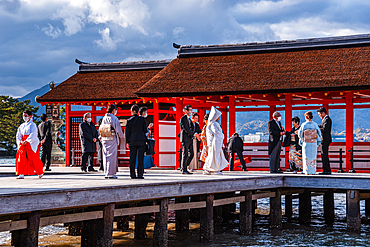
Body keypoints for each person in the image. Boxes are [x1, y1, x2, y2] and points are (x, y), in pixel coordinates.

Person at [15, 110, 44, 179]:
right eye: (23, 116)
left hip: (30, 143)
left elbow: (33, 134)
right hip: (23, 142)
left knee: (33, 158)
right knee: (20, 157)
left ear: (30, 116)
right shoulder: (22, 125)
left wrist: (27, 140)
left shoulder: (33, 125)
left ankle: (39, 172)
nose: (24, 117)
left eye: (26, 116)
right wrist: (20, 141)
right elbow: (18, 134)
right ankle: (21, 173)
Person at [100, 104, 124, 179]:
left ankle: (106, 173)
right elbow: (118, 130)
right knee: (112, 156)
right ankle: (111, 173)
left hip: (104, 137)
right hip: (112, 138)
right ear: (113, 110)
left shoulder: (104, 118)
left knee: (105, 156)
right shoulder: (114, 118)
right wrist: (121, 136)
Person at [203, 106, 228, 175]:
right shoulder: (214, 124)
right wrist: (222, 136)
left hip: (212, 142)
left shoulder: (210, 124)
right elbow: (217, 133)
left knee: (211, 156)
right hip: (215, 142)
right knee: (215, 155)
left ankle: (207, 168)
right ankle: (215, 169)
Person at [126, 104, 148, 179]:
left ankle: (132, 174)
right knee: (140, 158)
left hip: (132, 140)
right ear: (138, 111)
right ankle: (140, 174)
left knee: (132, 158)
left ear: (131, 111)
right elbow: (145, 130)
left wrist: (127, 142)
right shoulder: (142, 120)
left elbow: (127, 133)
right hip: (141, 140)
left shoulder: (129, 121)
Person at [179, 105, 195, 175]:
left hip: (190, 138)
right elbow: (185, 128)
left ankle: (184, 166)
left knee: (192, 154)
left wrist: (194, 133)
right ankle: (184, 169)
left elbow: (191, 128)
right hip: (185, 138)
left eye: (191, 110)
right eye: (190, 110)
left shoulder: (189, 119)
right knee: (185, 154)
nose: (191, 111)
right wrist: (193, 134)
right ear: (186, 111)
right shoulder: (183, 118)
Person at [317, 107, 332, 175]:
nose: (319, 116)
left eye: (319, 114)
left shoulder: (327, 119)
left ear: (323, 113)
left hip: (325, 139)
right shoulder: (324, 120)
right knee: (324, 154)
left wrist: (317, 128)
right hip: (324, 139)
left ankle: (326, 170)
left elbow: (324, 129)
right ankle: (326, 169)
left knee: (324, 154)